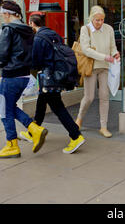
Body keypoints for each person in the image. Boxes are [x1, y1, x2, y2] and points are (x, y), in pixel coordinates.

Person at [20, 12, 86, 154]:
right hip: (57, 76)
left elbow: (36, 62)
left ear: (31, 23)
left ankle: (76, 136)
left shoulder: (38, 38)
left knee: (58, 107)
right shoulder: (53, 34)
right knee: (41, 102)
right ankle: (33, 132)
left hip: (49, 78)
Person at [0, 0, 48, 158]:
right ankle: (34, 129)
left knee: (4, 110)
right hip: (24, 75)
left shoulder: (8, 29)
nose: (2, 18)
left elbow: (2, 55)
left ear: (7, 14)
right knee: (9, 107)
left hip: (11, 75)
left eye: (2, 15)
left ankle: (12, 145)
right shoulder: (28, 30)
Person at [75, 5, 120, 138]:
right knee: (89, 97)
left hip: (105, 67)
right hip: (91, 66)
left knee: (104, 96)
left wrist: (115, 53)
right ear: (91, 18)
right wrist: (105, 56)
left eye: (102, 20)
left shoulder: (109, 29)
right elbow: (86, 49)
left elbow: (112, 47)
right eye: (97, 20)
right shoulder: (85, 29)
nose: (100, 23)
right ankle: (79, 119)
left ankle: (103, 126)